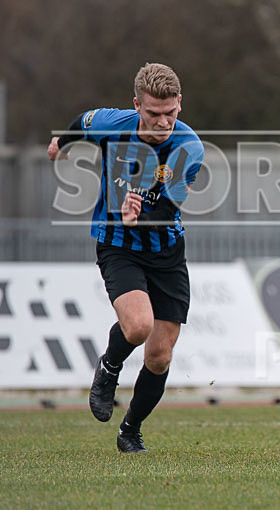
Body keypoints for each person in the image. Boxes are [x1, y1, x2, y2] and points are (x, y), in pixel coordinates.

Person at [48, 63, 204, 451]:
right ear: (137, 105)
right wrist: (61, 142)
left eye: (170, 112)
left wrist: (139, 216)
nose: (163, 122)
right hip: (118, 245)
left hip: (166, 251)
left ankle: (130, 430)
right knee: (137, 327)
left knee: (160, 356)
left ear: (180, 103)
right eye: (153, 113)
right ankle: (109, 366)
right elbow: (81, 123)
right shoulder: (112, 124)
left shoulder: (189, 148)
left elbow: (167, 209)